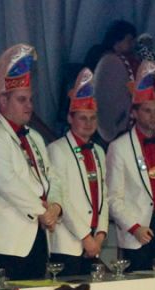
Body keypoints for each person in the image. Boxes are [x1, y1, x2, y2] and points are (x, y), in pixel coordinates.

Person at [0, 45, 62, 282]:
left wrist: (56, 206)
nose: (29, 106)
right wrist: (42, 212)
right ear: (2, 101)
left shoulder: (34, 137)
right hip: (6, 243)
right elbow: (7, 182)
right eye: (21, 100)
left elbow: (52, 177)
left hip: (38, 237)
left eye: (30, 100)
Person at [107, 59, 155, 273]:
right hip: (137, 228)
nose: (153, 116)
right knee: (136, 283)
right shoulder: (119, 147)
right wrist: (134, 227)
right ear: (134, 113)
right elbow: (113, 198)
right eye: (147, 111)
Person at [46, 69, 109, 276]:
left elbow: (103, 196)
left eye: (93, 118)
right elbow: (61, 198)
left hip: (94, 242)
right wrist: (85, 237)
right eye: (83, 118)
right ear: (70, 118)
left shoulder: (99, 151)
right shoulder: (57, 150)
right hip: (67, 243)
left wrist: (100, 234)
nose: (89, 123)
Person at [89, 20, 139, 144]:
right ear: (117, 41)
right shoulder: (110, 62)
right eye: (129, 40)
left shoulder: (124, 61)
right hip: (113, 127)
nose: (133, 44)